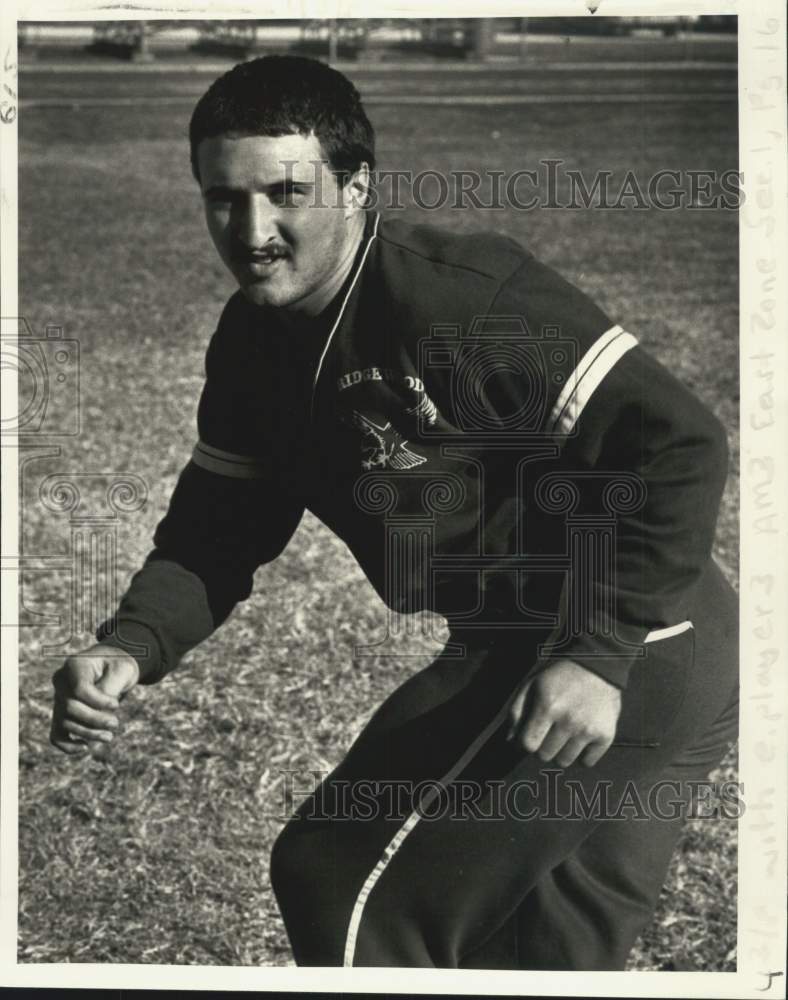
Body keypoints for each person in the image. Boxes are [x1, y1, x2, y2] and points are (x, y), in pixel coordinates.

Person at [49, 54, 739, 970]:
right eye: (224, 198)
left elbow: (679, 442)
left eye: (287, 193)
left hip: (634, 637)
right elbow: (221, 529)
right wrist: (130, 645)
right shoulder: (253, 341)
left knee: (336, 882)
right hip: (549, 640)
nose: (252, 231)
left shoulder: (455, 294)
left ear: (357, 186)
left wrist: (597, 654)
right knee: (536, 956)